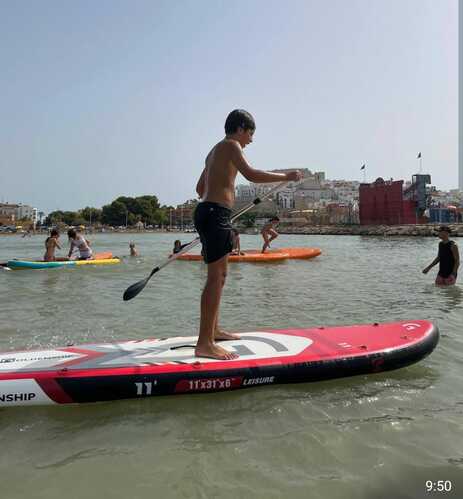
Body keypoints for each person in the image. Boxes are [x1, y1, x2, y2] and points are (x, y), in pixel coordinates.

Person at [194, 109, 302, 360]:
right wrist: (286, 176)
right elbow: (251, 174)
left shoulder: (213, 151)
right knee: (216, 277)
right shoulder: (232, 145)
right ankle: (204, 343)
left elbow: (199, 189)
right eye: (250, 134)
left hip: (207, 211)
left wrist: (220, 187)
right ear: (241, 128)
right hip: (216, 213)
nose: (251, 140)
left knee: (219, 277)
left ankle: (214, 330)